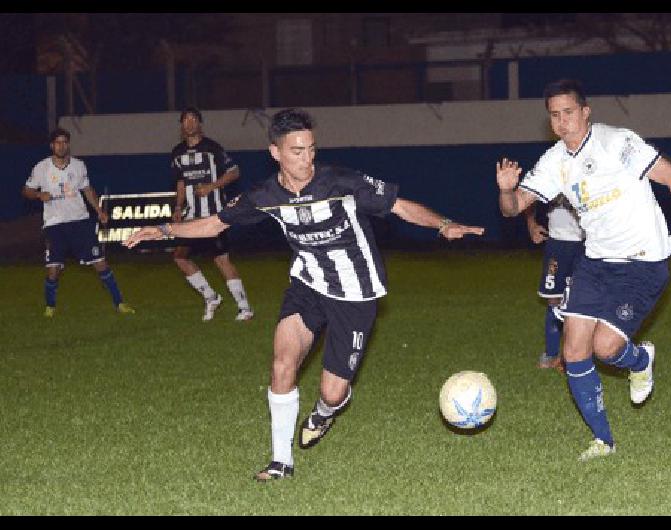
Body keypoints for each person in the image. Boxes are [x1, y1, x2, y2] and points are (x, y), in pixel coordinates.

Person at [125, 107, 484, 480]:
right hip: (308, 285)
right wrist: (164, 230)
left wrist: (442, 224)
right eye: (297, 151)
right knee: (283, 365)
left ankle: (326, 412)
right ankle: (281, 462)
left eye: (311, 149)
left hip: (356, 292)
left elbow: (399, 206)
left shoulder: (341, 181)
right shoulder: (265, 194)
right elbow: (216, 223)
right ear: (275, 152)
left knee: (332, 393)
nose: (307, 159)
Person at [496, 79, 671, 460]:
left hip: (643, 262)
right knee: (574, 348)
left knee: (606, 348)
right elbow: (513, 207)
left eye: (568, 113)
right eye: (554, 115)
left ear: (585, 112)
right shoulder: (554, 162)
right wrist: (507, 190)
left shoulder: (617, 143)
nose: (562, 122)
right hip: (595, 261)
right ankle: (604, 441)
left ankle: (641, 361)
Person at [22, 128, 135, 317]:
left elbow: (87, 189)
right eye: (57, 142)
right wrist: (39, 194)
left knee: (100, 263)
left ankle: (120, 303)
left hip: (79, 222)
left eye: (65, 142)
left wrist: (99, 211)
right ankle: (50, 307)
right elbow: (26, 190)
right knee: (53, 270)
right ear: (52, 146)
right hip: (54, 224)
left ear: (68, 144)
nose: (61, 145)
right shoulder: (41, 168)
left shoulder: (78, 166)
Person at [170, 106, 254, 321]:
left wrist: (212, 186)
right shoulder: (177, 152)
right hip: (190, 217)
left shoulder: (212, 148)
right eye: (185, 120)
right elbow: (180, 183)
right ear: (181, 125)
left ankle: (244, 308)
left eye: (193, 120)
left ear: (199, 124)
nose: (189, 124)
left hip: (212, 215)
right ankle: (211, 297)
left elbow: (234, 172)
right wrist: (178, 207)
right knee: (180, 257)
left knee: (220, 259)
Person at [525, 195, 584, 372]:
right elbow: (529, 196)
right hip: (557, 245)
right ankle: (551, 354)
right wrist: (531, 224)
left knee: (581, 300)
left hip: (587, 245)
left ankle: (575, 354)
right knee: (554, 300)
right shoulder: (551, 168)